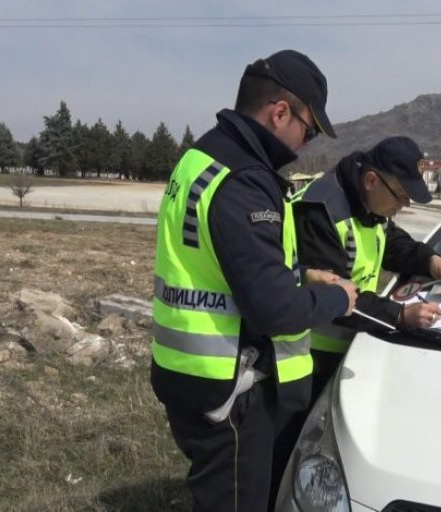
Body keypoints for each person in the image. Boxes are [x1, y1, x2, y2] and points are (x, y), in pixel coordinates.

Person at [150, 49, 358, 512]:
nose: (304, 143)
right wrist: (336, 298)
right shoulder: (245, 180)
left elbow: (219, 259)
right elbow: (275, 310)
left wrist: (300, 274)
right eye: (308, 129)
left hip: (184, 373)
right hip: (228, 390)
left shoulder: (202, 157)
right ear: (280, 112)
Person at [291, 136, 441, 401]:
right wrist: (400, 315)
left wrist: (429, 260)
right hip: (310, 357)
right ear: (371, 180)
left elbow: (392, 243)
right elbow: (334, 297)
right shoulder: (320, 211)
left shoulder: (370, 205)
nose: (404, 205)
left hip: (355, 341)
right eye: (401, 196)